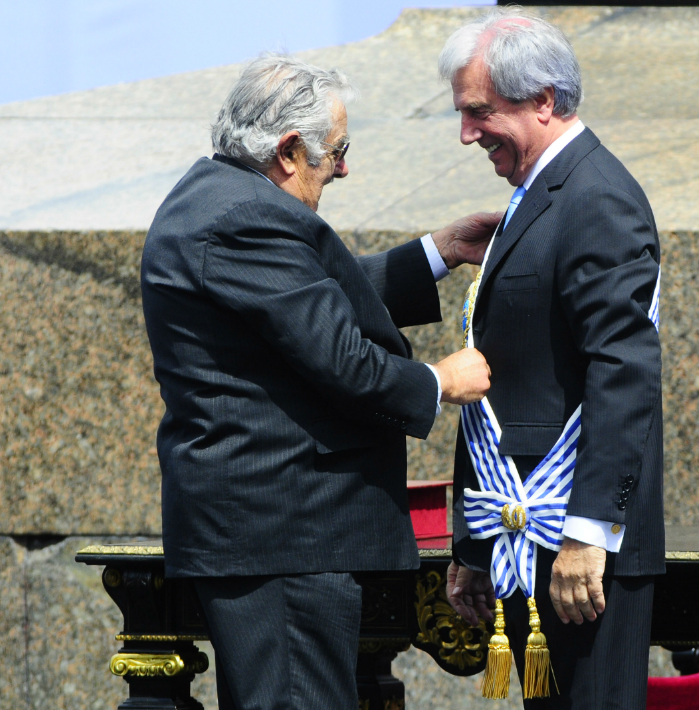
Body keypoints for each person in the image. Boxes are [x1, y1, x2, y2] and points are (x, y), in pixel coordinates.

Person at [140, 54, 496, 710]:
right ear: (286, 150)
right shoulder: (246, 220)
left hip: (268, 534)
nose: (344, 167)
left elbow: (309, 296)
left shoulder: (219, 198)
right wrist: (438, 380)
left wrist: (439, 251)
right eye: (337, 151)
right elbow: (338, 355)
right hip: (286, 535)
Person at [441, 10, 665, 709]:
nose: (467, 133)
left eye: (481, 112)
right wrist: (476, 542)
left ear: (544, 100)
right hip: (523, 537)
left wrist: (589, 534)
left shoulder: (597, 199)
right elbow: (511, 376)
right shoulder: (535, 195)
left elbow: (623, 372)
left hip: (576, 549)